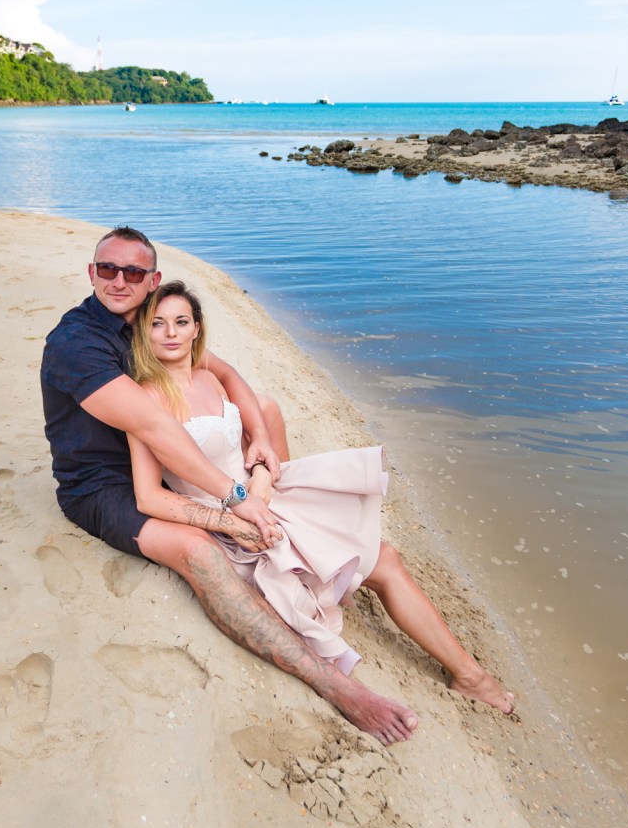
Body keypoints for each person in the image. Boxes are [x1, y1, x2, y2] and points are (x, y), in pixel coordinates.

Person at [40, 226, 419, 744]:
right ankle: (330, 682)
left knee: (264, 412)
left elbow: (227, 372)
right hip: (103, 485)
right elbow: (156, 429)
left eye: (133, 272)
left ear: (152, 281)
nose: (119, 280)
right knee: (198, 551)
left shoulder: (150, 322)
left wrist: (260, 437)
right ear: (92, 273)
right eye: (108, 269)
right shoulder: (77, 343)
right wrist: (234, 499)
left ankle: (304, 560)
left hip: (161, 462)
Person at [127, 280, 515, 714]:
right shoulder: (145, 398)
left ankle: (469, 676)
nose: (170, 332)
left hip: (264, 497)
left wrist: (260, 471)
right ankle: (471, 676)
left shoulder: (211, 378)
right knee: (377, 560)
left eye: (181, 321)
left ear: (197, 328)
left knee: (385, 557)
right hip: (233, 531)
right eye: (158, 324)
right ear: (144, 333)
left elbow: (252, 426)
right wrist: (235, 518)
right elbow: (147, 496)